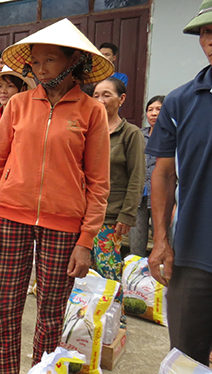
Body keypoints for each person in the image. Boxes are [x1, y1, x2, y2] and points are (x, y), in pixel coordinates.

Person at [0, 19, 112, 373]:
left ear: (73, 62)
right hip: (9, 219)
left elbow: (99, 183)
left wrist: (86, 240)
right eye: (34, 62)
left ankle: (42, 369)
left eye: (49, 61)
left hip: (64, 227)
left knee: (51, 315)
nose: (39, 69)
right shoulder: (17, 106)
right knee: (5, 309)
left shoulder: (91, 111)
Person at [146, 1, 212, 365]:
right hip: (194, 256)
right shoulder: (181, 101)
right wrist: (160, 242)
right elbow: (164, 173)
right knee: (187, 358)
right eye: (205, 31)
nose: (211, 39)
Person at [91, 77, 145, 323]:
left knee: (108, 271)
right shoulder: (87, 130)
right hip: (82, 215)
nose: (100, 100)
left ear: (121, 99)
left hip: (111, 217)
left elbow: (137, 177)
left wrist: (127, 215)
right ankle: (82, 319)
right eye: (96, 95)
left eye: (107, 95)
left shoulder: (130, 133)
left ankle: (113, 321)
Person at [128, 95, 164, 257]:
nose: (153, 113)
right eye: (150, 110)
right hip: (138, 197)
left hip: (163, 199)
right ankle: (136, 275)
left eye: (158, 109)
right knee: (136, 242)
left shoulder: (175, 137)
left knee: (162, 241)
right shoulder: (138, 136)